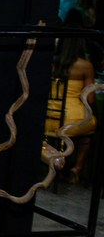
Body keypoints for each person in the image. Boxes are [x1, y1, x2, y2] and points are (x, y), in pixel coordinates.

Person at [45, 36, 96, 184]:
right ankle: (77, 168)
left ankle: (58, 169)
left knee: (55, 135)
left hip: (49, 116)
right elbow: (90, 99)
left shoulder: (50, 61)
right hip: (73, 118)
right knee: (88, 133)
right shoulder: (85, 66)